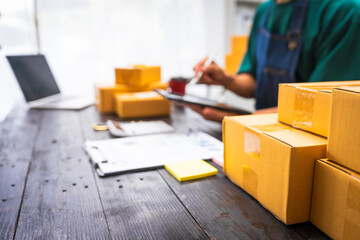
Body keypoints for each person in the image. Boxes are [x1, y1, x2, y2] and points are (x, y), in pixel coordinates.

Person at [189, 0, 360, 122]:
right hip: (263, 132)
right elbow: (254, 82)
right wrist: (225, 79)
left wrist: (244, 120)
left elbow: (322, 106)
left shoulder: (343, 10)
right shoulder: (264, 11)